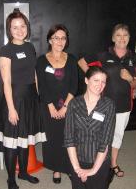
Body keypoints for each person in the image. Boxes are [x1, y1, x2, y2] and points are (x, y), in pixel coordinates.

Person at [78, 24, 136, 177]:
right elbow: (81, 62)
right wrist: (94, 79)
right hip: (102, 105)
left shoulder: (135, 58)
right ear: (113, 38)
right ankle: (98, 163)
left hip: (124, 106)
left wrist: (130, 78)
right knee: (99, 135)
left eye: (125, 35)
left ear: (129, 38)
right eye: (118, 35)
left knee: (117, 136)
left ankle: (113, 164)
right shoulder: (103, 55)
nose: (122, 38)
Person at [0, 10, 46, 189]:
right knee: (12, 142)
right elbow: (6, 82)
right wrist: (11, 108)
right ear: (9, 29)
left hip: (31, 99)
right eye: (15, 27)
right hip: (15, 99)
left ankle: (23, 172)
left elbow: (34, 74)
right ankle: (11, 179)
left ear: (27, 27)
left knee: (24, 139)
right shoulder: (6, 50)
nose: (19, 30)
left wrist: (39, 98)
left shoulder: (30, 47)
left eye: (22, 26)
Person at [36, 24, 78, 184]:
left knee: (69, 137)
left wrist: (66, 106)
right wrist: (51, 107)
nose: (60, 41)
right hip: (49, 107)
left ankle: (69, 166)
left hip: (69, 105)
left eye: (63, 38)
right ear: (49, 40)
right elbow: (42, 87)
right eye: (56, 38)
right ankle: (56, 169)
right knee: (53, 138)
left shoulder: (72, 59)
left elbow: (74, 85)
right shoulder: (41, 61)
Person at [64, 66, 116, 189]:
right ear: (86, 80)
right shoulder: (74, 104)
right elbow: (69, 138)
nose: (100, 85)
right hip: (77, 158)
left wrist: (93, 170)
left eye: (103, 82)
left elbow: (105, 141)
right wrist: (77, 168)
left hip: (100, 161)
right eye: (96, 80)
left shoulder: (108, 105)